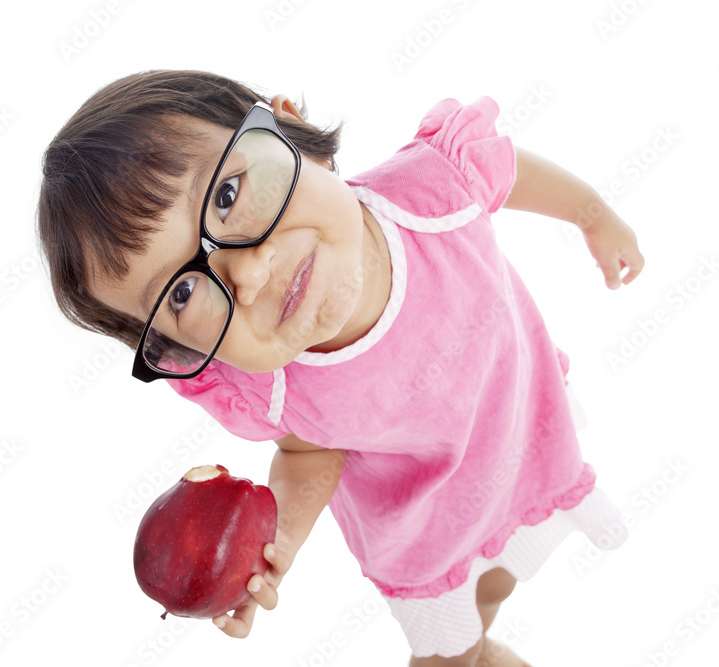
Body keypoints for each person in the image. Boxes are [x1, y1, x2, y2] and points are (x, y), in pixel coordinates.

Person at [36, 69, 645, 666]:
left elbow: (504, 172)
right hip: (423, 523)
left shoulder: (434, 193)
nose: (249, 274)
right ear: (181, 350)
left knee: (496, 582)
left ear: (293, 135)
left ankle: (480, 639)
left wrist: (592, 215)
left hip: (519, 440)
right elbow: (309, 453)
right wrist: (271, 549)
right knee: (447, 645)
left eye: (226, 195)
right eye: (182, 295)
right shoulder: (272, 387)